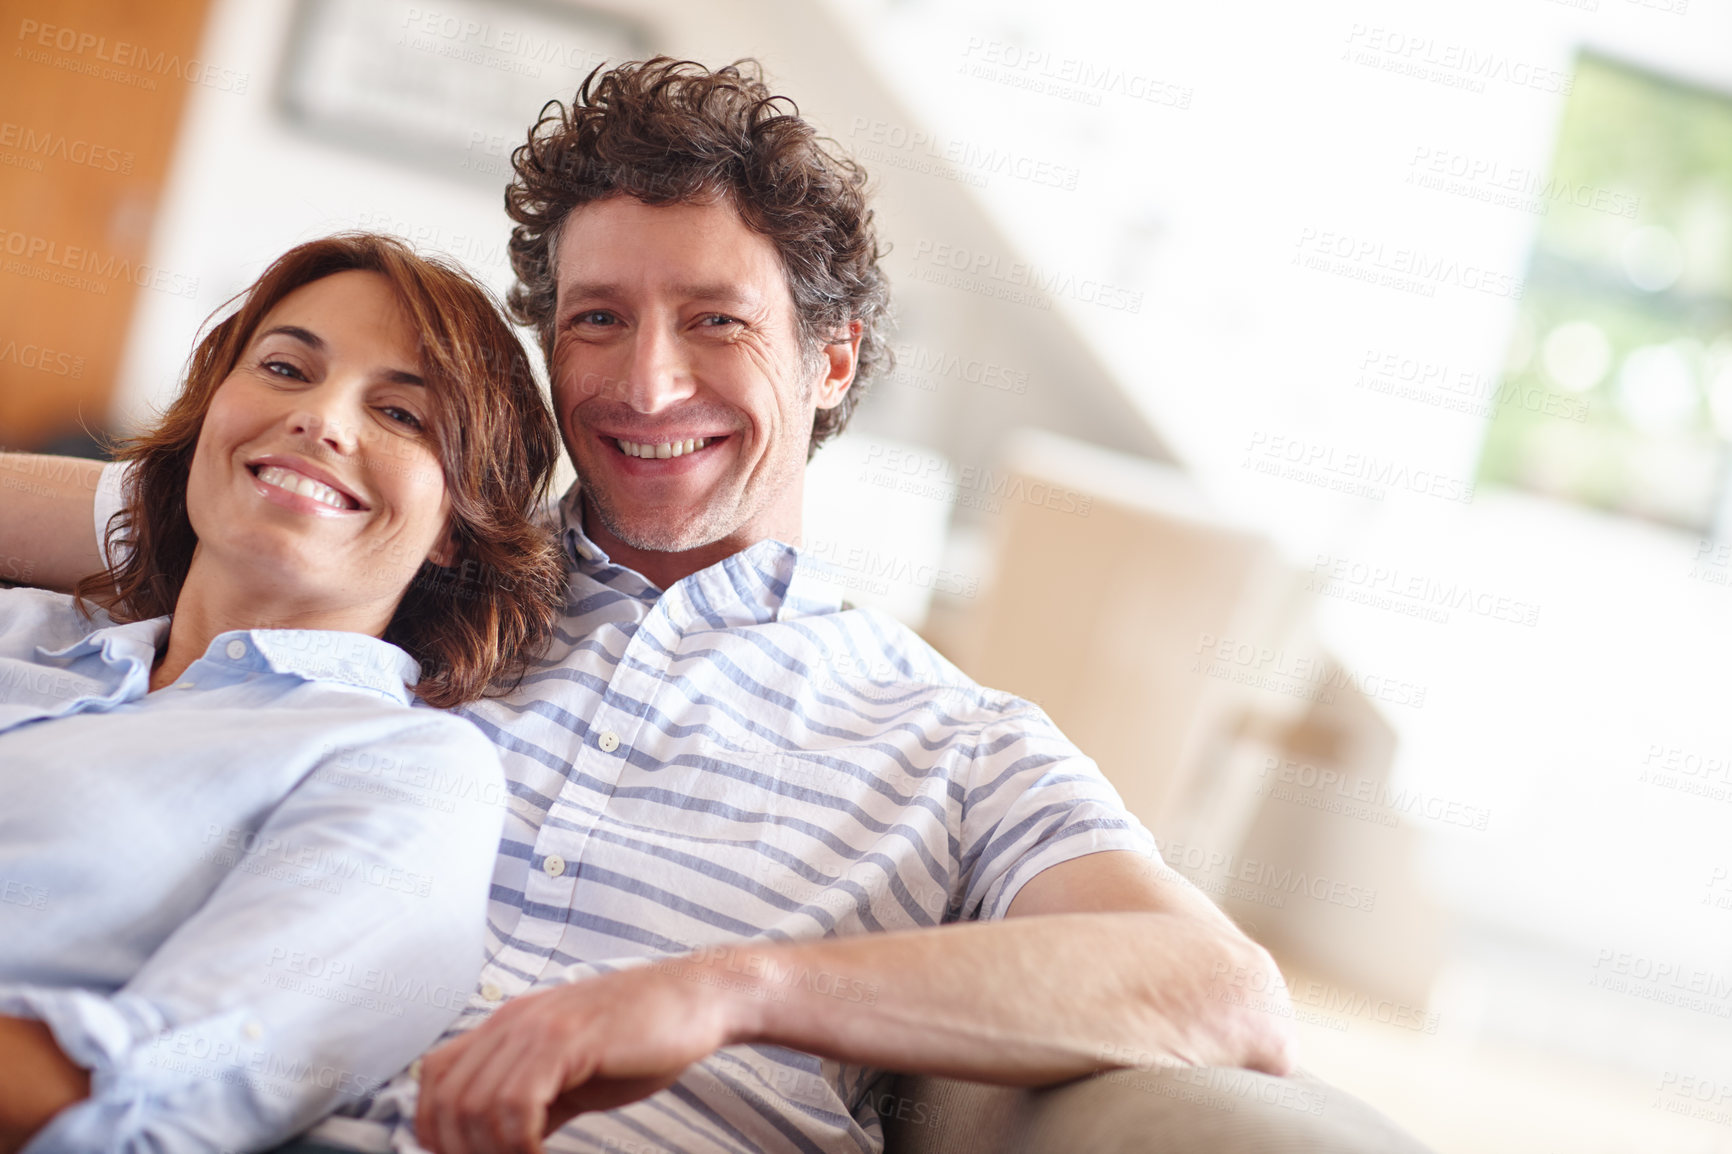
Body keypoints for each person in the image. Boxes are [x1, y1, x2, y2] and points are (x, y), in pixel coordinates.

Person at [0, 61, 1297, 1154]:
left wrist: (733, 989)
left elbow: (1221, 993)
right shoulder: (397, 551)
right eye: (597, 319)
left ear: (830, 355)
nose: (646, 382)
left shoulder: (952, 740)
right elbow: (162, 502)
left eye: (715, 320)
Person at [0, 234, 566, 1153]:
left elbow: (158, 1091)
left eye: (402, 415)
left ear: (454, 532)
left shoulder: (407, 768)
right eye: (284, 367)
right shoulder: (28, 631)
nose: (323, 420)